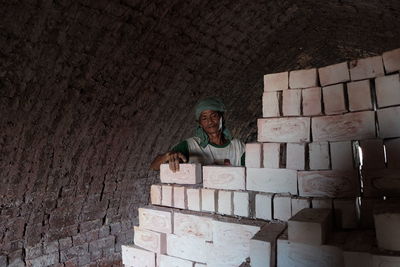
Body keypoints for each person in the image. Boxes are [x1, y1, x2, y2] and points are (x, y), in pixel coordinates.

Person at [150, 97, 245, 172]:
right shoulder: (191, 145)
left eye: (214, 116)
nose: (210, 122)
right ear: (199, 123)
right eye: (204, 118)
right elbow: (154, 166)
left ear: (222, 118)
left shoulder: (238, 146)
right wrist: (167, 156)